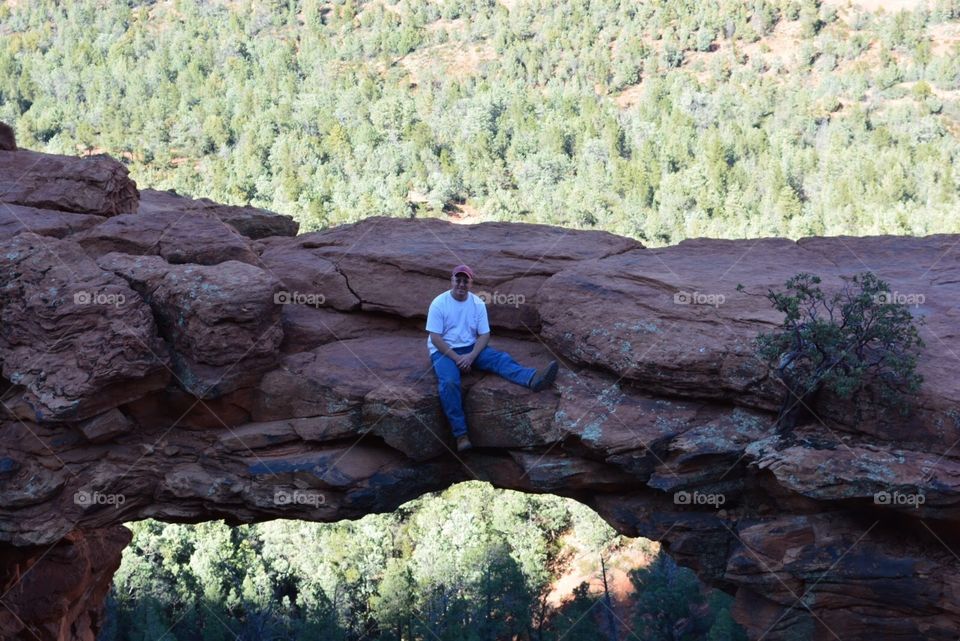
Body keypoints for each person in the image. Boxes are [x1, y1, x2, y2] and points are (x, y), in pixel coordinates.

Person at [426, 264, 558, 452]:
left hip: (471, 348)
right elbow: (435, 338)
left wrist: (471, 357)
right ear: (452, 280)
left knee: (499, 359)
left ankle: (532, 378)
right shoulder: (439, 303)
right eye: (458, 279)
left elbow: (484, 336)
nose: (461, 284)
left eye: (466, 280)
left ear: (471, 283)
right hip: (444, 351)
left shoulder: (477, 303)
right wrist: (457, 359)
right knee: (449, 383)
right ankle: (460, 435)